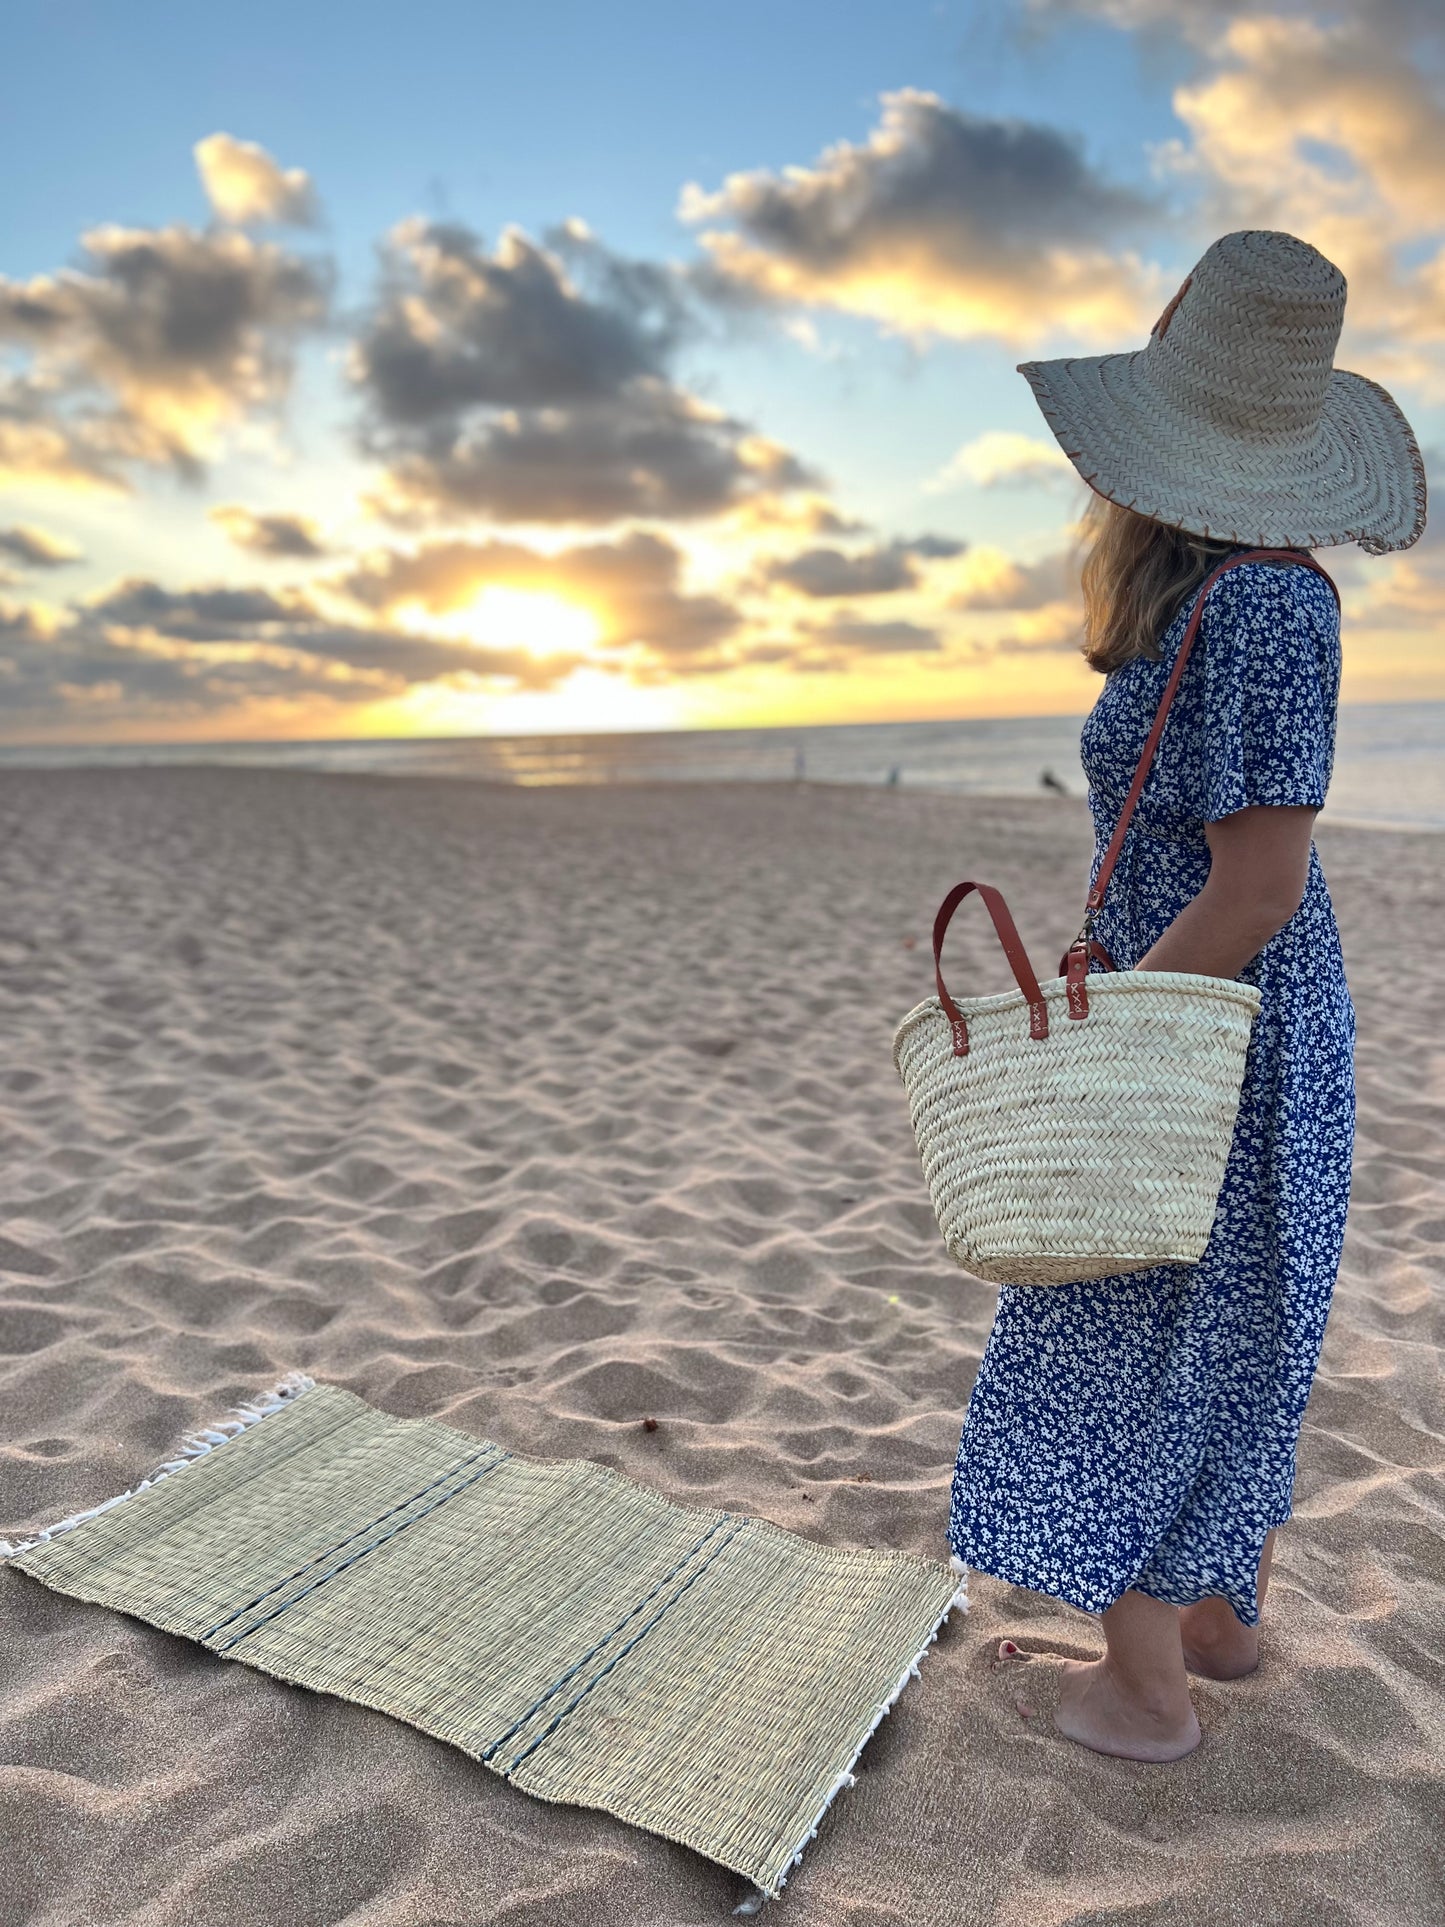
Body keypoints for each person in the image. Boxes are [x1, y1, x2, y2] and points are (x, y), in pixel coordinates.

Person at [945, 229, 1426, 1762]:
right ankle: (1215, 1627)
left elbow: (1260, 886)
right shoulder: (1222, 597)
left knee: (1145, 1323)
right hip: (1232, 1017)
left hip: (1215, 1032)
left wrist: (1111, 1036)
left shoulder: (1268, 611)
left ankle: (1143, 1690)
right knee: (1225, 1318)